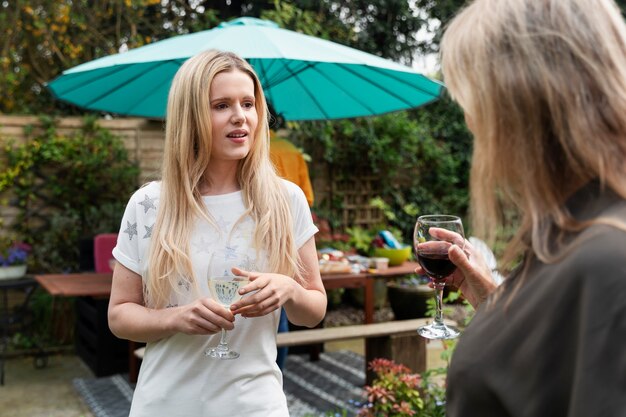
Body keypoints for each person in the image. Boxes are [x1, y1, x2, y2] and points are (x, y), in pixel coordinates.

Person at [420, 0, 626, 415]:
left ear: (519, 102)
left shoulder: (607, 259)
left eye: (474, 101)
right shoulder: (573, 232)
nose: (470, 123)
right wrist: (496, 301)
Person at [108, 49, 327, 417]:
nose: (240, 117)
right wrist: (175, 319)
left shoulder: (286, 200)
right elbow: (119, 316)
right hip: (165, 406)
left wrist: (289, 289)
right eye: (221, 105)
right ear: (191, 116)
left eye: (248, 103)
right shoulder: (149, 204)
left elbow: (314, 311)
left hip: (256, 406)